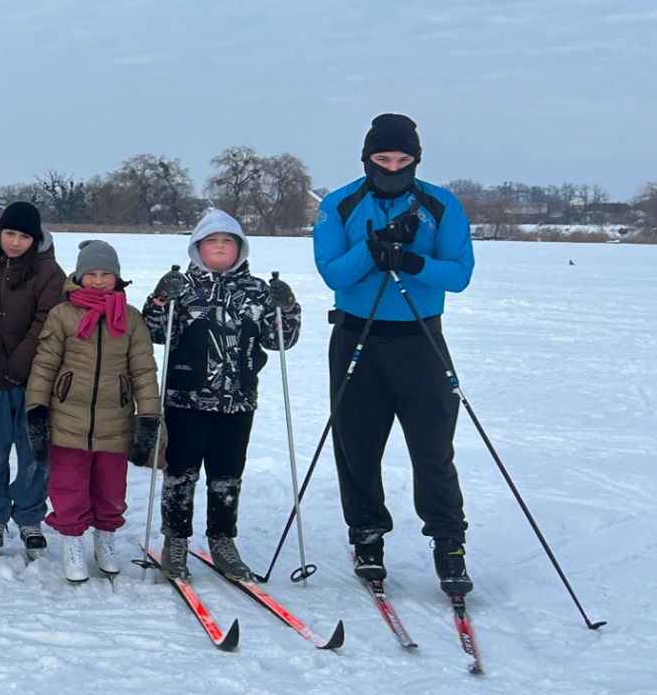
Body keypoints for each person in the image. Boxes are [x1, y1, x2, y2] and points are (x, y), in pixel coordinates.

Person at [312, 113, 476, 595]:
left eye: (403, 160)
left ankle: (449, 543)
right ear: (367, 159)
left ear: (416, 160)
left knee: (432, 449)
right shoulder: (339, 204)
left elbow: (459, 274)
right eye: (383, 159)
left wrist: (410, 260)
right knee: (357, 447)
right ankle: (366, 536)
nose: (392, 167)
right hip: (356, 338)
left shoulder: (440, 204)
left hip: (420, 340)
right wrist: (375, 249)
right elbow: (335, 275)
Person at [141, 210, 300, 581]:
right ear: (198, 247)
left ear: (239, 248)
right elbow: (155, 333)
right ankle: (175, 540)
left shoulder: (258, 290)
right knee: (180, 473)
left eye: (227, 242)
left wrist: (288, 308)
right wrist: (160, 299)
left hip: (237, 400)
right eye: (212, 241)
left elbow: (281, 341)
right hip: (185, 399)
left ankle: (223, 540)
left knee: (227, 475)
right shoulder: (184, 286)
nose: (219, 247)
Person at [24, 240, 162, 583]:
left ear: (117, 278)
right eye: (92, 274)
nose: (99, 281)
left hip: (114, 423)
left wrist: (148, 417)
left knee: (110, 488)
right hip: (68, 420)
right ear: (79, 276)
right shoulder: (62, 314)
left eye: (106, 274)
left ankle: (105, 539)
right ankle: (73, 543)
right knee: (68, 486)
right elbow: (44, 365)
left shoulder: (130, 318)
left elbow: (144, 371)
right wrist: (36, 410)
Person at [0, 200, 64, 557]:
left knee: (33, 452)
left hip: (34, 382)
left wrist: (21, 364)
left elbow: (46, 324)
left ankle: (29, 515)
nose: (16, 242)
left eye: (24, 236)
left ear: (35, 239)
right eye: (9, 233)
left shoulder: (51, 275)